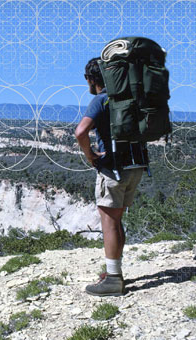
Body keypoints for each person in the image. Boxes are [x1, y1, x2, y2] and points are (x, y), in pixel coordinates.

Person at [74, 57, 144, 296]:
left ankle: (113, 279)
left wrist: (90, 154)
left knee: (109, 221)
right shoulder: (129, 98)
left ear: (92, 79)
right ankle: (115, 271)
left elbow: (80, 131)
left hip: (113, 169)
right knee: (116, 220)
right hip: (136, 166)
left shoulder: (100, 99)